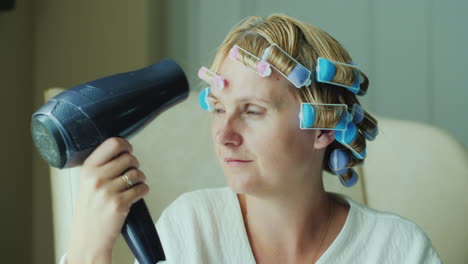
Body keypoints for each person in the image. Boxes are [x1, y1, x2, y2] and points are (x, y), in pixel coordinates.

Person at [62, 14, 441, 263]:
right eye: (220, 109)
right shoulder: (191, 229)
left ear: (323, 127)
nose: (225, 136)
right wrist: (88, 245)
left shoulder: (398, 250)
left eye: (253, 111)